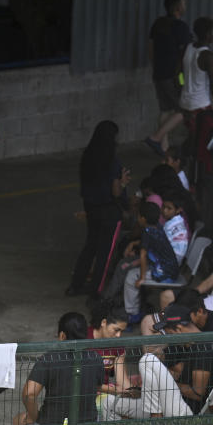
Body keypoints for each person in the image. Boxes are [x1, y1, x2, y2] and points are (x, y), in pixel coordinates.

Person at [8, 312, 110, 425]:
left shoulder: (50, 359)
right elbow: (97, 386)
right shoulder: (95, 359)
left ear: (62, 336)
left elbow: (29, 394)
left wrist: (33, 416)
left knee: (19, 420)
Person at [154, 304, 213, 425]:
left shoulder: (204, 348)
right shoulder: (179, 344)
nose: (165, 334)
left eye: (167, 330)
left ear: (178, 329)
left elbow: (196, 392)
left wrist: (166, 379)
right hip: (173, 398)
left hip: (185, 409)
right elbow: (167, 361)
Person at [67, 120, 131, 297]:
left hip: (92, 208)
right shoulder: (112, 161)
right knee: (105, 252)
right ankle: (97, 290)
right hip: (109, 211)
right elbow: (116, 191)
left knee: (90, 246)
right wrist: (124, 184)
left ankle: (76, 284)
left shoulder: (87, 157)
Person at [146, 17, 213, 153]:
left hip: (185, 101)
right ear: (207, 35)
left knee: (194, 135)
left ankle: (180, 155)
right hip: (200, 105)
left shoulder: (187, 48)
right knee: (205, 139)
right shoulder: (208, 56)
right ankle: (186, 159)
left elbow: (178, 74)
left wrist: (183, 87)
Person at [145, 0, 192, 155]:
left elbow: (150, 48)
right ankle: (156, 138)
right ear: (177, 7)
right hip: (174, 75)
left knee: (165, 110)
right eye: (183, 3)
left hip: (158, 73)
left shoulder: (158, 24)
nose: (185, 5)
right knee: (183, 111)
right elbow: (186, 53)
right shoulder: (181, 27)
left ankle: (163, 148)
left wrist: (156, 66)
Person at [123, 201, 180, 322]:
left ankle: (132, 314)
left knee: (131, 276)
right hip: (172, 269)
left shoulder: (146, 232)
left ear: (143, 219)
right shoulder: (158, 227)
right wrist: (134, 243)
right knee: (135, 273)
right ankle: (138, 307)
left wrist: (142, 277)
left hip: (164, 273)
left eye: (138, 216)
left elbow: (143, 255)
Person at [161, 191, 189, 263]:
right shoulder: (171, 223)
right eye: (163, 206)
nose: (164, 211)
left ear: (178, 210)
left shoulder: (177, 228)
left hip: (169, 264)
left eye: (169, 208)